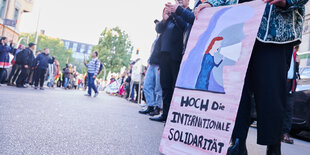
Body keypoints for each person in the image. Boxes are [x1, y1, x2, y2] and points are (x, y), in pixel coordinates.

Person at [195, 0, 308, 154]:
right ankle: (238, 143)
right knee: (237, 93)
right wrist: (211, 4)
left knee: (272, 95)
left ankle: (273, 148)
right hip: (240, 29)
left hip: (275, 33)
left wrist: (287, 1)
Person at [150, 0, 191, 122]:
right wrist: (164, 19)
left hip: (177, 56)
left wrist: (176, 13)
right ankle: (165, 114)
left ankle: (174, 118)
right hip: (164, 55)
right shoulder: (170, 14)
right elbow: (159, 29)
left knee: (175, 87)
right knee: (165, 86)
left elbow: (184, 27)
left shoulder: (187, 13)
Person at [139, 20, 163, 116]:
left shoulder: (165, 37)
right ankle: (150, 105)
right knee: (147, 86)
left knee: (158, 87)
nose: (157, 26)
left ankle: (157, 107)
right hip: (151, 64)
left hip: (159, 65)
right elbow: (152, 52)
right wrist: (148, 62)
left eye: (158, 24)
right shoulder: (156, 39)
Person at [282, 46, 301, 144]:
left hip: (290, 84)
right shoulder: (283, 50)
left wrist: (298, 62)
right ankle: (274, 131)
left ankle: (285, 133)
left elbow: (296, 71)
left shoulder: (296, 55)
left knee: (289, 109)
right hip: (280, 82)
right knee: (277, 106)